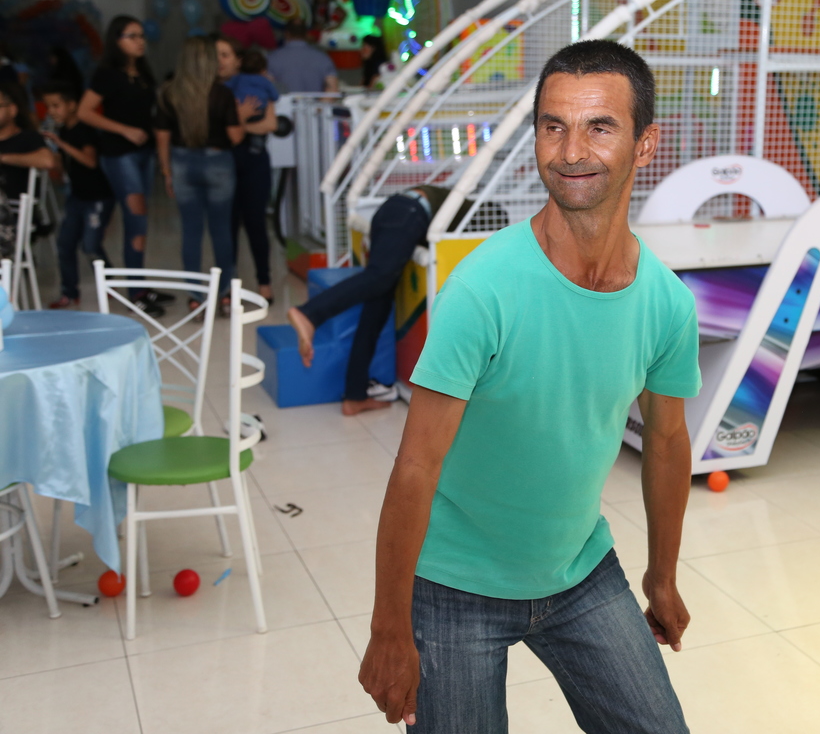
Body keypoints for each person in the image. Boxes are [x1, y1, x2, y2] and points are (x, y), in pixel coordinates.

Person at [357, 40, 700, 733]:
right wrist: (389, 627)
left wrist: (662, 576)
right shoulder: (483, 288)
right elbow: (415, 466)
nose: (571, 151)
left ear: (645, 144)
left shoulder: (666, 301)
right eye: (553, 126)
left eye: (599, 127)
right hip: (453, 584)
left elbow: (667, 442)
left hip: (580, 569)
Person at [287, 185, 448, 416]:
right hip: (408, 212)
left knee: (376, 310)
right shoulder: (471, 210)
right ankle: (310, 314)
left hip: (394, 210)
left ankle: (355, 395)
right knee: (379, 277)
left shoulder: (448, 200)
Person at [79, 16, 167, 315]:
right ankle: (136, 292)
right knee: (136, 219)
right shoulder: (107, 74)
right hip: (119, 154)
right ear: (116, 40)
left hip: (143, 153)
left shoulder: (142, 73)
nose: (140, 41)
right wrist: (124, 130)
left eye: (141, 36)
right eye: (132, 36)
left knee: (139, 222)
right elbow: (85, 112)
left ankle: (138, 285)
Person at [154, 37, 245, 309]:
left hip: (182, 163)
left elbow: (162, 137)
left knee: (191, 231)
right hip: (218, 163)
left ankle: (195, 297)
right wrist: (241, 116)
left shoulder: (169, 93)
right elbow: (236, 137)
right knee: (221, 230)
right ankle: (225, 293)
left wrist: (166, 171)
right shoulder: (221, 94)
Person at [39, 82, 115, 309]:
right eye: (48, 106)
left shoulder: (85, 130)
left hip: (97, 197)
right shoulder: (62, 130)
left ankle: (109, 283)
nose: (51, 111)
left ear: (72, 105)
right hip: (77, 196)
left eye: (56, 106)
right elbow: (63, 169)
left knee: (90, 245)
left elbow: (90, 161)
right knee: (65, 244)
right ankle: (69, 293)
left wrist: (61, 144)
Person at [216, 36, 279, 302]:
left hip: (254, 162)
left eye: (225, 55)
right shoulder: (214, 90)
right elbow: (214, 133)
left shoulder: (254, 84)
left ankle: (264, 281)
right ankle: (228, 286)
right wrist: (241, 123)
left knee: (256, 223)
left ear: (238, 60)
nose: (219, 61)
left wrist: (239, 125)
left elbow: (270, 124)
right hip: (224, 164)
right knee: (227, 225)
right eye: (215, 55)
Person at [0, 81, 55, 199]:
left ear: (12, 109)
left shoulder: (28, 137)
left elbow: (47, 161)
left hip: (15, 207)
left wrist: (3, 158)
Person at [267, 20, 338, 94]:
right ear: (306, 34)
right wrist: (320, 102)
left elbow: (267, 88)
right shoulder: (323, 58)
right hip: (315, 101)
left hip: (283, 101)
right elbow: (332, 90)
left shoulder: (272, 58)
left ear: (286, 34)